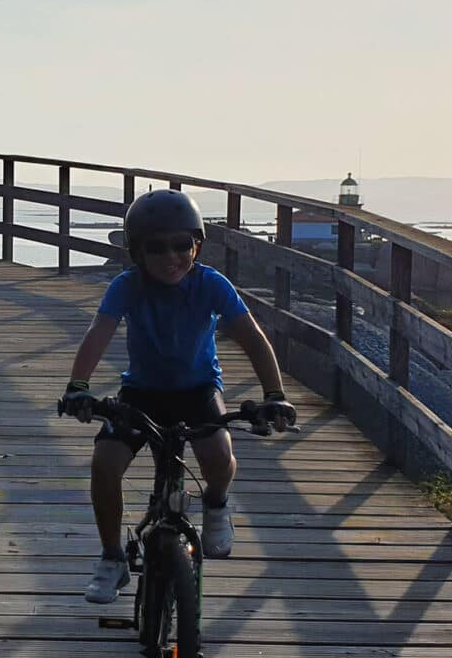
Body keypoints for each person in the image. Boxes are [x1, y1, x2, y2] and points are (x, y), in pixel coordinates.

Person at [59, 189, 296, 604]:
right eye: (156, 247)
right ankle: (112, 558)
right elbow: (99, 333)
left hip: (197, 389)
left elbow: (252, 339)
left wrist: (274, 393)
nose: (171, 257)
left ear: (197, 246)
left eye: (182, 245)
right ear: (136, 252)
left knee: (219, 457)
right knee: (104, 463)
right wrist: (79, 386)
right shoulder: (127, 286)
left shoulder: (211, 285)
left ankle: (217, 504)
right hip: (141, 391)